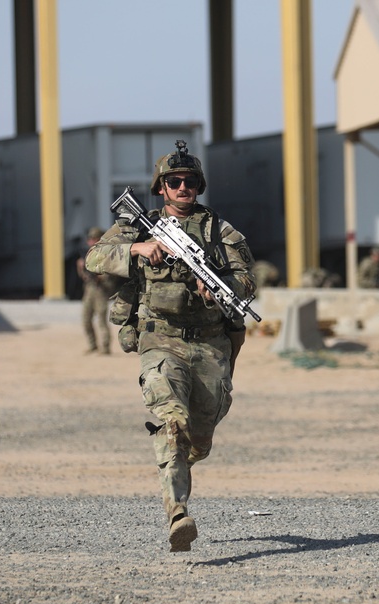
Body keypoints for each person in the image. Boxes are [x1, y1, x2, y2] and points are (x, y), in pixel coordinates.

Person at [85, 140, 256, 552]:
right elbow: (95, 258)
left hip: (210, 345)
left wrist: (219, 287)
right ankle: (178, 514)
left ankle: (178, 461)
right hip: (161, 340)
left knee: (199, 438)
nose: (183, 188)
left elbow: (247, 281)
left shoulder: (221, 232)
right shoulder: (140, 226)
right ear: (161, 188)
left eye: (190, 182)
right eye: (174, 181)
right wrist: (137, 249)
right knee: (171, 422)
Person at [77, 226, 115, 354]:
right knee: (86, 319)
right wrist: (82, 267)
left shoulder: (107, 254)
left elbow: (108, 276)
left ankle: (105, 347)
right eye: (90, 239)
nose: (91, 241)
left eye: (94, 239)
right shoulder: (89, 255)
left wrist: (99, 275)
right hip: (89, 289)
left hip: (101, 291)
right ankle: (93, 345)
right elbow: (84, 277)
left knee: (102, 320)